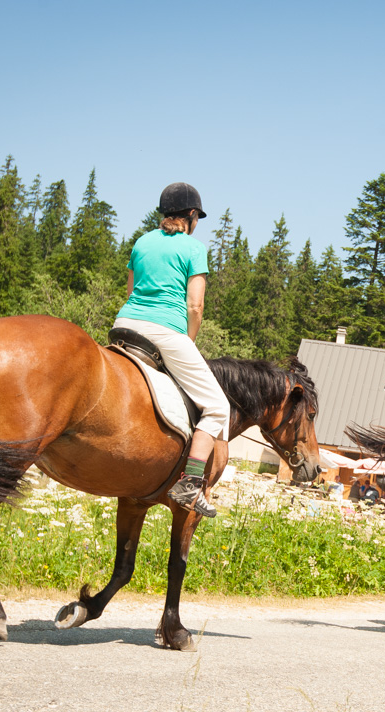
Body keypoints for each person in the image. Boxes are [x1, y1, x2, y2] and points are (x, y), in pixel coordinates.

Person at [114, 182, 230, 518]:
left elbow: (131, 290)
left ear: (165, 213)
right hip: (165, 329)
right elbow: (195, 305)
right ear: (192, 216)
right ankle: (191, 483)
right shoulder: (193, 248)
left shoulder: (141, 242)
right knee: (217, 407)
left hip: (124, 323)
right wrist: (188, 341)